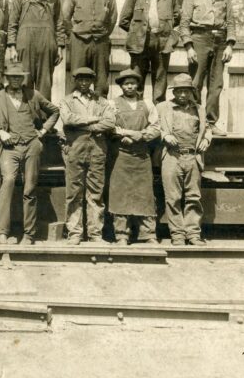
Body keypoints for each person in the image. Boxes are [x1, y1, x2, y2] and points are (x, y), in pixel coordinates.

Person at [0, 62, 60, 245]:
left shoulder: (33, 94)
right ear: (7, 78)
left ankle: (29, 234)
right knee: (8, 182)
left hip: (31, 145)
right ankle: (2, 231)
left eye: (19, 77)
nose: (15, 80)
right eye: (12, 76)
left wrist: (43, 131)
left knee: (30, 187)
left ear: (23, 78)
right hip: (9, 148)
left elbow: (54, 111)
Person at [58, 67, 115, 245]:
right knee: (74, 193)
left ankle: (95, 233)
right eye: (80, 79)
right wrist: (92, 119)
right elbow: (67, 120)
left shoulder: (102, 101)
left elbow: (110, 122)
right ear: (75, 81)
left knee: (95, 193)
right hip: (75, 149)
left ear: (92, 81)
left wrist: (85, 125)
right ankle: (74, 232)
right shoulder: (67, 100)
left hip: (97, 150)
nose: (84, 83)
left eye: (87, 79)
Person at [179, 0, 235, 135]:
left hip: (220, 41)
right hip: (199, 39)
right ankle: (195, 121)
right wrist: (189, 47)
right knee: (195, 82)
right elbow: (183, 24)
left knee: (216, 83)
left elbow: (231, 22)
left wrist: (230, 45)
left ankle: (210, 122)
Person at [156, 74, 213, 246]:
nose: (182, 95)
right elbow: (153, 126)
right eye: (179, 91)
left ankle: (193, 234)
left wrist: (206, 140)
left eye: (186, 91)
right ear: (174, 92)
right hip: (172, 156)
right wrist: (165, 135)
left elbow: (208, 128)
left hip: (193, 157)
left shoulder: (199, 109)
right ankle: (178, 235)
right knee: (172, 197)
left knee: (193, 197)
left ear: (191, 92)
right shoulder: (162, 108)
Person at [107, 69, 160, 245]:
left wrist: (142, 136)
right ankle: (122, 234)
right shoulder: (112, 104)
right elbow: (109, 126)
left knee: (144, 194)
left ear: (138, 85)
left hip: (142, 156)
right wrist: (128, 134)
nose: (129, 86)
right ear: (121, 86)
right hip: (120, 156)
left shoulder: (147, 104)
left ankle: (148, 234)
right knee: (120, 194)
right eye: (126, 83)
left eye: (133, 83)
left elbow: (156, 127)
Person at [118, 0, 179, 103]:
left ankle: (158, 114)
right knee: (137, 77)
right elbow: (124, 20)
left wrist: (165, 30)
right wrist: (138, 32)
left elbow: (177, 16)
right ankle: (137, 111)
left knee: (160, 78)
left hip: (163, 43)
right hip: (140, 43)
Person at [7, 0, 66, 99]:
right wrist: (12, 48)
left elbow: (59, 22)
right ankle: (25, 118)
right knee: (24, 82)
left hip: (47, 45)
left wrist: (60, 47)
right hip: (25, 45)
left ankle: (44, 120)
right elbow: (12, 23)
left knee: (45, 85)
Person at [62, 0, 118, 96]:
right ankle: (76, 111)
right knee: (77, 76)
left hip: (101, 42)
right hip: (79, 41)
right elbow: (65, 18)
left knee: (101, 79)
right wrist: (74, 34)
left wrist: (103, 33)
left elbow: (112, 18)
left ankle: (101, 112)